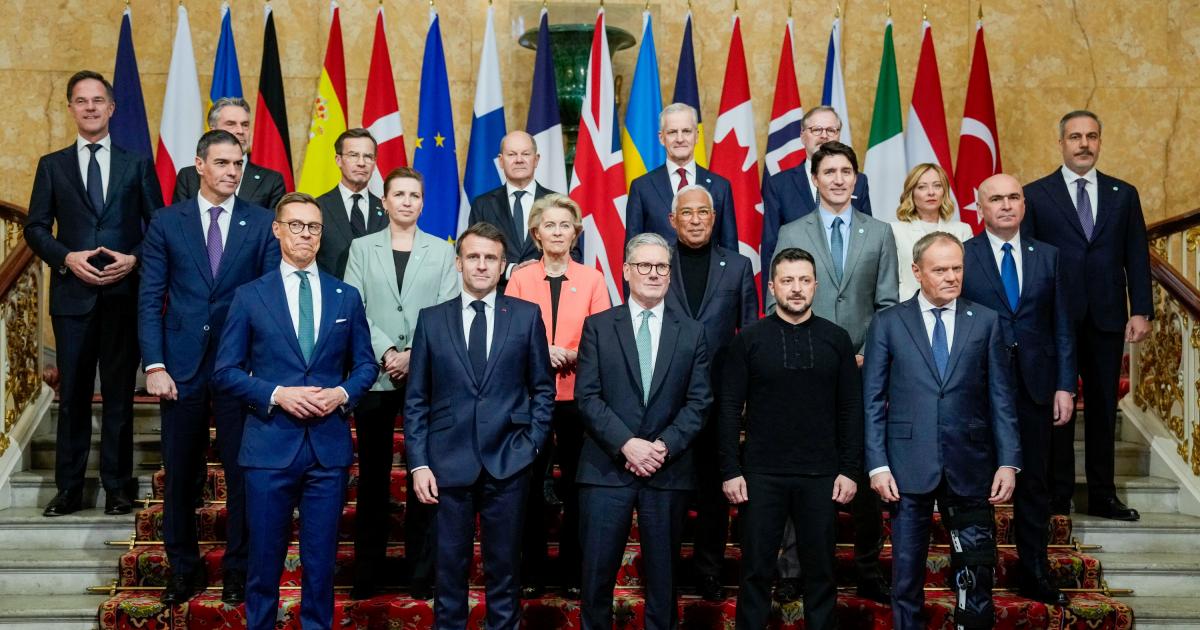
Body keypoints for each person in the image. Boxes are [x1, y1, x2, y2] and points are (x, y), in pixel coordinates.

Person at [212, 192, 378, 630]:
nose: (306, 234)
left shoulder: (346, 296)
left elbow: (366, 366)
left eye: (314, 227)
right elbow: (225, 371)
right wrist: (276, 394)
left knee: (321, 565)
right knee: (263, 564)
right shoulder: (250, 296)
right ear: (277, 229)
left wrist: (341, 393)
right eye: (297, 225)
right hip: (269, 447)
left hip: (327, 449)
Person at [138, 129, 279, 606]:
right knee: (180, 475)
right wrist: (155, 364)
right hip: (180, 368)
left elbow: (268, 299)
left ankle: (238, 570)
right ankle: (183, 570)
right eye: (222, 163)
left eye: (238, 164)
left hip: (241, 369)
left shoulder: (262, 223)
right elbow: (150, 297)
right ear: (199, 165)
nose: (232, 172)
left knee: (243, 475)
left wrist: (261, 367)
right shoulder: (167, 221)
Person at [863, 231, 1021, 629]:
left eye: (957, 268)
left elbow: (1001, 398)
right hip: (906, 466)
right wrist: (877, 465)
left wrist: (1008, 462)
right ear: (917, 272)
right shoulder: (887, 323)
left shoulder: (985, 321)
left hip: (970, 463)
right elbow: (872, 400)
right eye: (940, 270)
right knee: (906, 574)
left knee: (977, 569)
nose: (951, 277)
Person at [25, 70, 163, 517]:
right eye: (81, 101)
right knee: (73, 399)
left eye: (97, 100)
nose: (90, 107)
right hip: (73, 298)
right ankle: (69, 489)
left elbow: (159, 226)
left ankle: (118, 487)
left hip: (123, 296)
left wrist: (134, 259)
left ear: (111, 107)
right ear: (70, 108)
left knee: (120, 397)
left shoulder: (136, 163)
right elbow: (35, 228)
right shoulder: (52, 165)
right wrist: (66, 257)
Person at [404, 222, 556, 630]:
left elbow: (542, 389)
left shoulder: (525, 316)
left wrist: (532, 444)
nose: (482, 265)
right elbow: (417, 399)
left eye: (491, 258)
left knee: (504, 570)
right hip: (446, 464)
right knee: (448, 571)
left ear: (503, 266)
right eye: (473, 257)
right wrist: (419, 463)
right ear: (459, 263)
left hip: (509, 461)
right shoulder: (431, 320)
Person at [765, 140, 898, 603]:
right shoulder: (791, 230)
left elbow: (887, 305)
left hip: (862, 369)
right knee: (797, 468)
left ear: (856, 178)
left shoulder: (879, 232)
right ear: (815, 180)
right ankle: (791, 571)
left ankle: (867, 569)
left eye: (846, 171)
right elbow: (778, 300)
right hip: (803, 370)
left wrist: (866, 354)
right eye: (829, 172)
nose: (838, 179)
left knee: (862, 470)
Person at [575, 232, 713, 630]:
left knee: (664, 584)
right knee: (595, 580)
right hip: (605, 471)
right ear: (625, 271)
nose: (653, 273)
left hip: (666, 472)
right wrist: (626, 444)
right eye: (644, 265)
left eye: (661, 267)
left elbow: (699, 402)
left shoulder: (692, 332)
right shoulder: (598, 327)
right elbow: (587, 397)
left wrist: (662, 447)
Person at [720, 247, 862, 630]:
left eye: (804, 280)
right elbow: (729, 409)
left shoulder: (837, 340)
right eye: (787, 281)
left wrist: (850, 469)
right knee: (755, 571)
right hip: (761, 474)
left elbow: (851, 410)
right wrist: (730, 469)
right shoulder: (749, 340)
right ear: (772, 287)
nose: (796, 288)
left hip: (822, 474)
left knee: (821, 573)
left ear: (815, 285)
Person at [1023, 110, 1151, 521]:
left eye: (1091, 136)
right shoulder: (1036, 194)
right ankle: (1058, 495)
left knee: (1103, 409)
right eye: (1075, 137)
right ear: (1061, 142)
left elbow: (1136, 255)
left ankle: (1102, 496)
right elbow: (1030, 261)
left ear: (1099, 141)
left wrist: (1141, 309)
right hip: (1054, 320)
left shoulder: (1123, 194)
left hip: (1108, 318)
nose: (1084, 144)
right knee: (1058, 407)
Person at [341, 167, 459, 600]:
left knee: (424, 476)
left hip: (426, 377)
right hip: (375, 376)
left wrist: (414, 355)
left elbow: (448, 309)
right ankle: (367, 576)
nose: (407, 201)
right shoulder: (361, 247)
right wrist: (389, 351)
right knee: (373, 481)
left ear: (423, 203)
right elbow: (353, 304)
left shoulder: (442, 251)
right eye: (399, 194)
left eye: (414, 195)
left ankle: (421, 576)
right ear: (384, 201)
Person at [961, 173, 1075, 606]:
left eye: (1013, 198)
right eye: (996, 199)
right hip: (978, 387)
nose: (1006, 205)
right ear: (979, 207)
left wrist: (1065, 385)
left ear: (1024, 205)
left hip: (1035, 387)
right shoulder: (963, 255)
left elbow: (1062, 326)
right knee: (976, 485)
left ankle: (1035, 572)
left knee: (1034, 485)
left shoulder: (1048, 256)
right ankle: (976, 573)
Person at [505, 194, 610, 599]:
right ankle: (531, 571)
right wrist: (541, 351)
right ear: (536, 233)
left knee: (577, 489)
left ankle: (572, 573)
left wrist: (570, 352)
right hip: (529, 398)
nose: (557, 232)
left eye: (565, 225)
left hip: (577, 397)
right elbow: (510, 332)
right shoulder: (520, 278)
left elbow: (602, 334)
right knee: (529, 486)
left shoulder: (593, 279)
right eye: (549, 225)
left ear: (576, 233)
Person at [662, 184, 757, 602]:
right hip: (666, 397)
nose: (696, 219)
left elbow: (749, 334)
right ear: (673, 220)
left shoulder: (737, 266)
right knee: (669, 489)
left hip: (720, 398)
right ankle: (665, 571)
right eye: (687, 212)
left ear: (714, 218)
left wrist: (746, 393)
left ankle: (708, 570)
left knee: (716, 492)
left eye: (704, 212)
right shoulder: (657, 262)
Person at [762, 106, 872, 295]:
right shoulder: (779, 184)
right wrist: (772, 299)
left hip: (848, 291)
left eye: (831, 130)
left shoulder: (858, 181)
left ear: (839, 135)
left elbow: (867, 239)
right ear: (802, 135)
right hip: (798, 292)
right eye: (816, 130)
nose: (824, 136)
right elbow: (771, 247)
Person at [625, 103, 737, 251]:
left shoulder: (720, 186)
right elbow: (632, 250)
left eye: (686, 131)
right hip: (661, 266)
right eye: (672, 132)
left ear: (696, 136)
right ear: (661, 138)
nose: (680, 139)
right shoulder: (641, 187)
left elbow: (730, 251)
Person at [468, 131, 569, 283]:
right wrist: (510, 270)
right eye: (512, 154)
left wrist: (542, 271)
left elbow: (574, 252)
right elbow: (474, 252)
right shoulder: (482, 205)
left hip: (548, 289)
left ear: (536, 159)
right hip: (500, 291)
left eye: (526, 154)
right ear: (501, 161)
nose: (519, 160)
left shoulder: (558, 203)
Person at [172, 97, 287, 210]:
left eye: (245, 125)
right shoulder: (188, 176)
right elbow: (179, 218)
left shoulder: (271, 180)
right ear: (213, 130)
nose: (240, 131)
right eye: (231, 124)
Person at [890, 163, 975, 300]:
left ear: (944, 191)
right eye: (922, 187)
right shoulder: (894, 230)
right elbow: (890, 281)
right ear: (911, 193)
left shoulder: (962, 230)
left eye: (937, 186)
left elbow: (968, 278)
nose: (931, 192)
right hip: (908, 306)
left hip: (954, 306)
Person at [315, 128, 388, 276]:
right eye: (353, 155)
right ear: (338, 160)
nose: (361, 163)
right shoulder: (318, 207)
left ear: (374, 163)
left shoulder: (388, 209)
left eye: (368, 156)